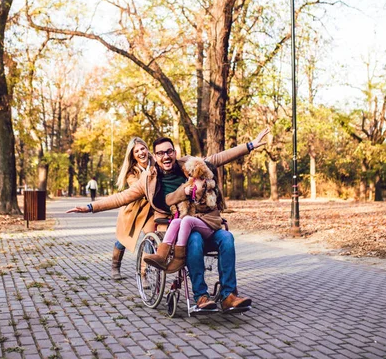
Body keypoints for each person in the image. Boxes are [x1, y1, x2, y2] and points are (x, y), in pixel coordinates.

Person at [67, 128, 269, 313]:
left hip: (205, 221)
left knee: (227, 238)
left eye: (169, 151)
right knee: (195, 240)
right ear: (155, 156)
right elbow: (121, 197)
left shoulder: (187, 166)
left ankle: (228, 295)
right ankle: (201, 297)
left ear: (174, 152)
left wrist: (249, 145)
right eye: (161, 153)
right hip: (176, 226)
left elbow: (216, 158)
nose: (166, 156)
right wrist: (90, 207)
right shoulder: (148, 180)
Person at [143, 158, 222, 275]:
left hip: (208, 222)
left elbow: (209, 206)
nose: (190, 177)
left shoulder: (209, 187)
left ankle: (178, 258)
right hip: (193, 221)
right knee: (176, 222)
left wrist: (199, 191)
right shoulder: (189, 184)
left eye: (192, 175)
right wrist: (184, 192)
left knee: (186, 220)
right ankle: (161, 255)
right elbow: (169, 199)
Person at [111, 137, 155, 280]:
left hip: (151, 210)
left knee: (150, 238)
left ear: (147, 149)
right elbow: (139, 188)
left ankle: (144, 274)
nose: (141, 152)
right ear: (133, 155)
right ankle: (115, 266)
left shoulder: (157, 163)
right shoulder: (132, 172)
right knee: (123, 239)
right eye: (137, 151)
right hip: (134, 210)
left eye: (143, 148)